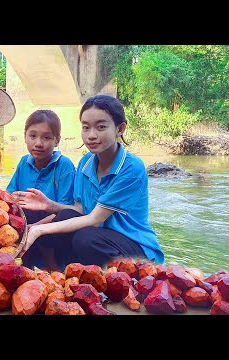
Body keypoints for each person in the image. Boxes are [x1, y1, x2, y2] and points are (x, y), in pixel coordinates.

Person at [17, 94, 165, 271]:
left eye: (101, 127)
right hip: (99, 236)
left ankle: (118, 277)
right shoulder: (86, 162)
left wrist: (39, 230)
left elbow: (95, 219)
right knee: (64, 217)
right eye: (86, 128)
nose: (91, 135)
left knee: (85, 239)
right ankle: (69, 273)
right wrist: (49, 205)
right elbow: (79, 209)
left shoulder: (131, 168)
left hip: (133, 246)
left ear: (120, 129)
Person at [7, 109, 76, 225]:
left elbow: (66, 210)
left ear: (57, 141)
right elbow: (10, 195)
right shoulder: (24, 162)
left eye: (46, 138)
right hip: (24, 218)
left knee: (65, 215)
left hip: (52, 222)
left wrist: (34, 227)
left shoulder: (64, 165)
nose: (38, 143)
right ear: (25, 137)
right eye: (33, 136)